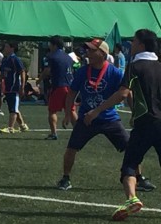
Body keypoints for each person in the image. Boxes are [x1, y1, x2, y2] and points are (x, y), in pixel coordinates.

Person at [55, 38, 154, 192]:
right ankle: (65, 178)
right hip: (87, 118)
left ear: (102, 53)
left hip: (109, 118)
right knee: (71, 147)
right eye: (87, 50)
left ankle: (139, 178)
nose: (87, 53)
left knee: (131, 147)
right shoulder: (82, 71)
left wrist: (135, 113)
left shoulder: (114, 72)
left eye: (91, 50)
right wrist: (68, 113)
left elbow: (127, 92)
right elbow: (72, 93)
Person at [110, 29, 161, 220]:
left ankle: (132, 199)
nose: (130, 44)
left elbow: (124, 93)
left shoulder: (135, 66)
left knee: (130, 164)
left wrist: (98, 109)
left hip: (145, 123)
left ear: (141, 45)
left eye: (133, 41)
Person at [40, 36, 77, 140]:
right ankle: (79, 132)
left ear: (54, 45)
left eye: (50, 44)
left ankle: (53, 133)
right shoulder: (68, 57)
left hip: (59, 86)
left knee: (52, 110)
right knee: (71, 110)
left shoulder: (51, 56)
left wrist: (39, 80)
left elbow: (47, 71)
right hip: (70, 86)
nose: (49, 46)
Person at [0, 42, 29, 133]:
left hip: (14, 88)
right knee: (13, 107)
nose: (5, 48)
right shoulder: (5, 59)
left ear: (12, 48)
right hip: (7, 87)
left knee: (13, 109)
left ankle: (10, 128)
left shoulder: (15, 59)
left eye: (7, 46)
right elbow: (3, 73)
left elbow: (22, 72)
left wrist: (22, 86)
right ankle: (22, 126)